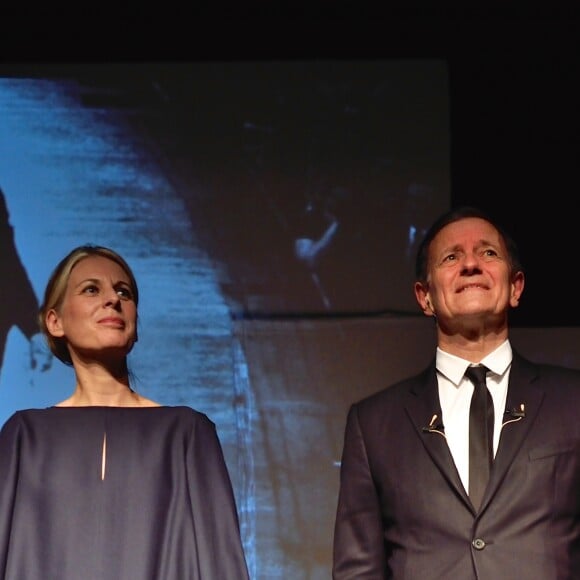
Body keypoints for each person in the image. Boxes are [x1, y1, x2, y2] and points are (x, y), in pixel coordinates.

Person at [332, 206, 580, 579]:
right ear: (424, 296)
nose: (470, 265)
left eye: (488, 253)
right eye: (451, 257)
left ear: (515, 287)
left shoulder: (572, 401)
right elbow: (358, 571)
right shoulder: (374, 424)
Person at [0, 244, 250, 579]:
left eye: (124, 292)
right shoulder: (24, 437)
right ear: (55, 321)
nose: (113, 300)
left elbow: (222, 566)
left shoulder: (185, 434)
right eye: (91, 289)